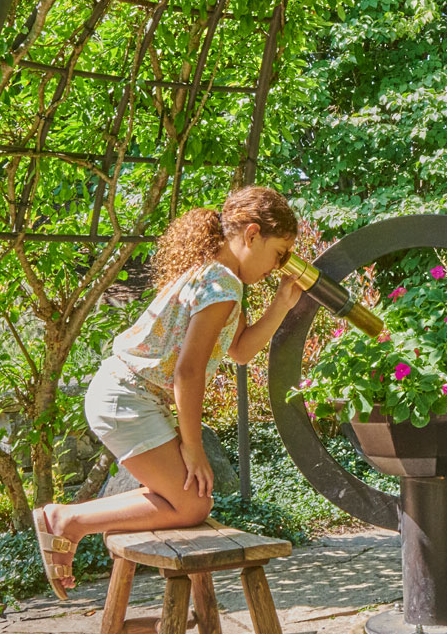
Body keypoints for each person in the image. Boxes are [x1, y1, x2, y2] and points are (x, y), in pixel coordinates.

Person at [34, 186, 301, 598]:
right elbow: (188, 372)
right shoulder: (223, 285)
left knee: (189, 501)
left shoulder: (218, 276)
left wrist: (281, 305)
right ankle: (67, 520)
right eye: (279, 253)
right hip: (128, 397)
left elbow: (240, 350)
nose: (278, 266)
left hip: (127, 394)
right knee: (193, 505)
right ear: (251, 235)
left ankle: (70, 520)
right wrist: (193, 447)